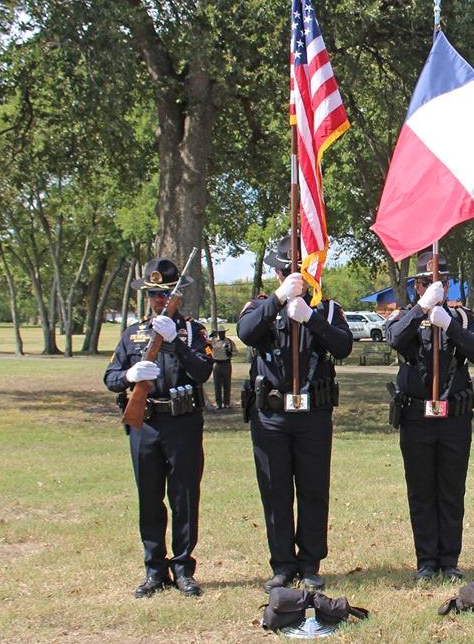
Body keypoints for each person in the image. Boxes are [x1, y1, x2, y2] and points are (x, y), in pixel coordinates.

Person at [237, 236, 352, 593]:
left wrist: (312, 319)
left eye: (299, 271)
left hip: (313, 414)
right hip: (271, 415)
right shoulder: (258, 306)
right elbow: (246, 333)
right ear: (276, 272)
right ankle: (282, 563)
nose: (293, 276)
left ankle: (311, 562)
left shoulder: (328, 310)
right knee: (275, 490)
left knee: (313, 489)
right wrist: (278, 300)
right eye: (286, 271)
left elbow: (343, 347)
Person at [103, 257, 213, 598]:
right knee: (149, 498)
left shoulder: (194, 331)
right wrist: (130, 376)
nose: (158, 301)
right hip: (146, 424)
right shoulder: (134, 333)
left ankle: (183, 569)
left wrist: (176, 342)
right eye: (153, 295)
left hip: (182, 423)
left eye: (164, 295)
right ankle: (154, 569)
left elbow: (202, 371)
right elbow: (110, 377)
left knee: (184, 497)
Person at [385, 250, 474, 582]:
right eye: (426, 282)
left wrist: (449, 324)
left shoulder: (462, 318)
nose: (433, 286)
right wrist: (422, 309)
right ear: (416, 285)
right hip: (416, 418)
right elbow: (395, 339)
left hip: (454, 418)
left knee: (451, 489)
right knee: (421, 490)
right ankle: (426, 561)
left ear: (447, 284)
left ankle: (450, 560)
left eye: (440, 281)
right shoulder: (404, 315)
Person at [209, 330, 235, 409]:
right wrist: (210, 336)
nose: (221, 334)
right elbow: (206, 347)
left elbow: (235, 351)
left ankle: (227, 403)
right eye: (220, 333)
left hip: (226, 364)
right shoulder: (213, 341)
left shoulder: (229, 341)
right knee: (217, 385)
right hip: (217, 364)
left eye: (223, 332)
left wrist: (230, 353)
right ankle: (218, 403)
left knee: (227, 384)